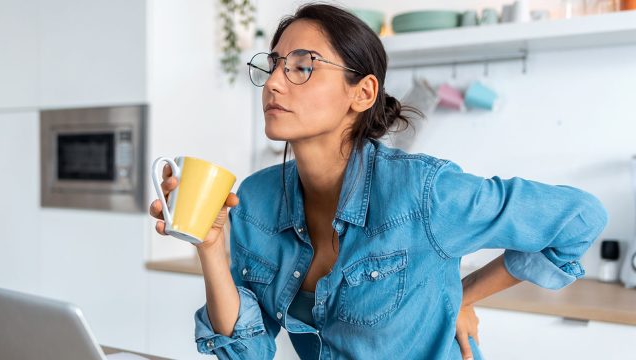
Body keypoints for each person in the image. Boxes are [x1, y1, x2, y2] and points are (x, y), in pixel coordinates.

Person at [149, 3, 608, 359]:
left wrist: (460, 298)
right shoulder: (256, 200)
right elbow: (248, 351)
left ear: (363, 92)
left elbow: (580, 218)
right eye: (273, 65)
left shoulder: (424, 193)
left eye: (302, 65)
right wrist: (210, 247)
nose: (274, 83)